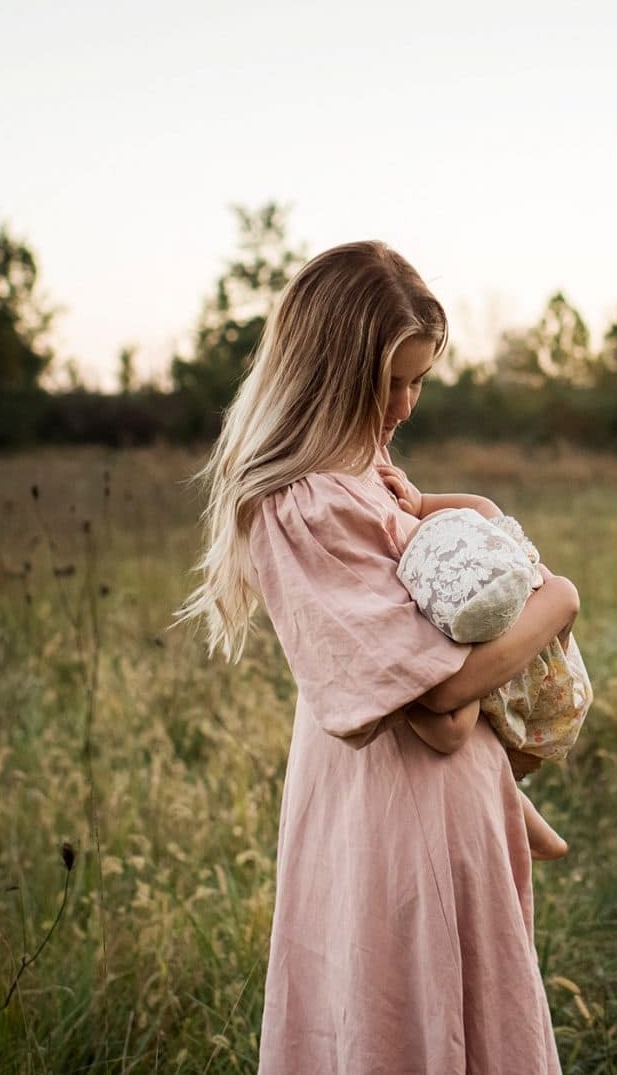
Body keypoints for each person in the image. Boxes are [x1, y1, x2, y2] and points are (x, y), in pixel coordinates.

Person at [172, 240, 578, 1075]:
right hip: (391, 808)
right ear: (325, 372)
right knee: (397, 1012)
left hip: (448, 799)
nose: (402, 406)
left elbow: (443, 654)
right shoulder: (299, 502)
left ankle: (517, 800)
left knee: (464, 1009)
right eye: (386, 382)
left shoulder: (369, 476)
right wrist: (561, 599)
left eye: (417, 381)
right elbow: (440, 702)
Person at [374, 450, 590, 861]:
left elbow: (479, 506)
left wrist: (420, 504)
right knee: (459, 734)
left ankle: (521, 812)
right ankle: (525, 816)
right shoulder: (443, 565)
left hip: (527, 669)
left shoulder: (493, 539)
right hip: (493, 649)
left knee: (453, 730)